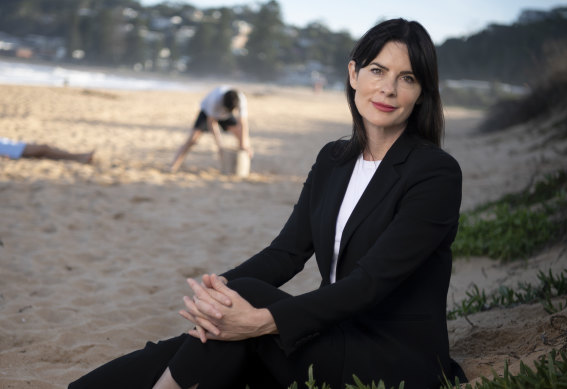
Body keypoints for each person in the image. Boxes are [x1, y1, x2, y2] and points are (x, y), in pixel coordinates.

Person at [70, 18, 467, 389]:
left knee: (244, 309)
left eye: (407, 78)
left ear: (420, 95)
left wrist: (261, 321)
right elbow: (287, 251)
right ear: (353, 74)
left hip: (391, 358)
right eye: (378, 70)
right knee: (216, 322)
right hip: (330, 335)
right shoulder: (334, 159)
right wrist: (218, 290)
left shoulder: (435, 174)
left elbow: (370, 283)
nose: (388, 89)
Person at [169, 86, 252, 173]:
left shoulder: (241, 99)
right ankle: (174, 165)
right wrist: (219, 146)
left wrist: (244, 144)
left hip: (226, 115)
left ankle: (240, 168)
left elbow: (243, 123)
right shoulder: (215, 99)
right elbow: (212, 123)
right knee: (192, 139)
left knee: (241, 136)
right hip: (206, 113)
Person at [0, 137, 94, 164]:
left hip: (15, 146)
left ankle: (79, 157)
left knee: (46, 152)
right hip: (14, 149)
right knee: (45, 149)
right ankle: (80, 157)